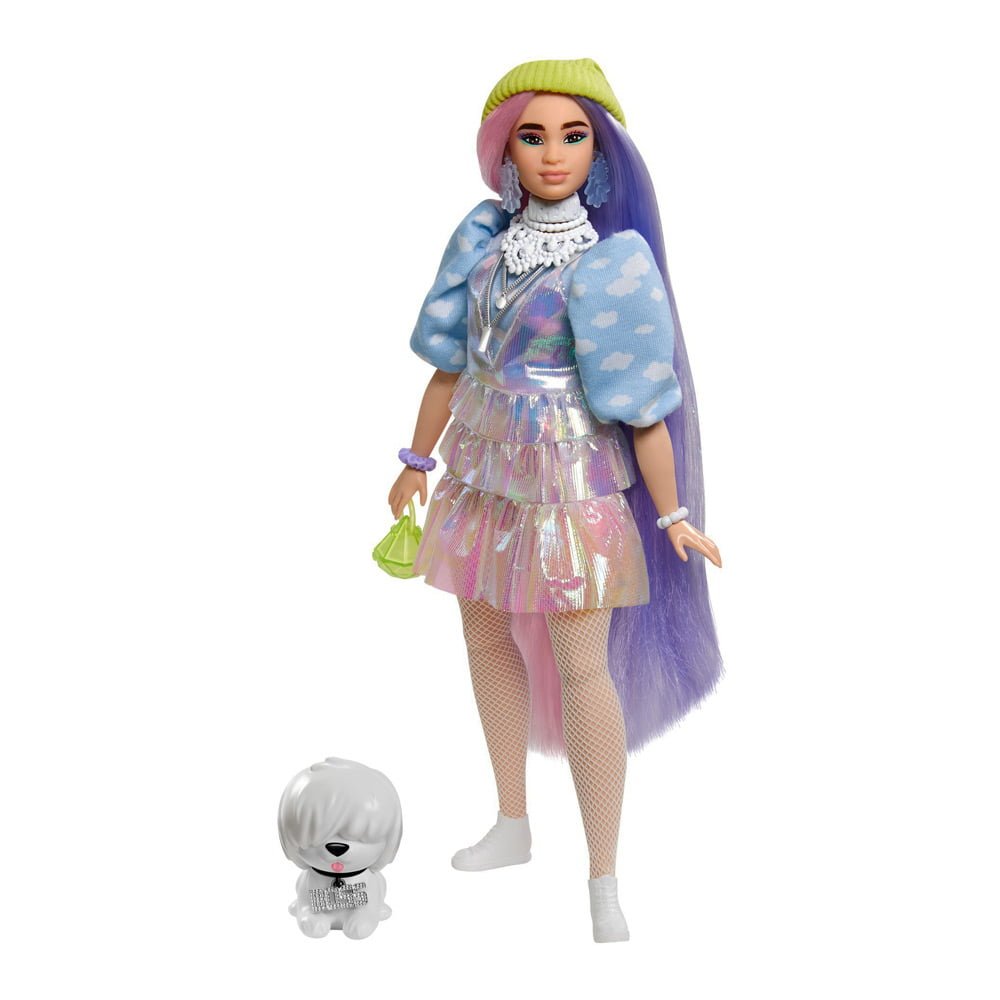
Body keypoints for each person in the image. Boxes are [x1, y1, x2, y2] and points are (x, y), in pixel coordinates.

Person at [387, 58, 722, 943]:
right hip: (483, 471)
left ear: (600, 153)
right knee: (483, 634)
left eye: (573, 136)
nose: (551, 154)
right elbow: (450, 365)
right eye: (531, 137)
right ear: (504, 151)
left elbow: (643, 405)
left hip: (574, 483)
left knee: (583, 666)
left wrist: (674, 513)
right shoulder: (483, 244)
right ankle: (512, 819)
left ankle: (603, 873)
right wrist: (416, 460)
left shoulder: (611, 264)